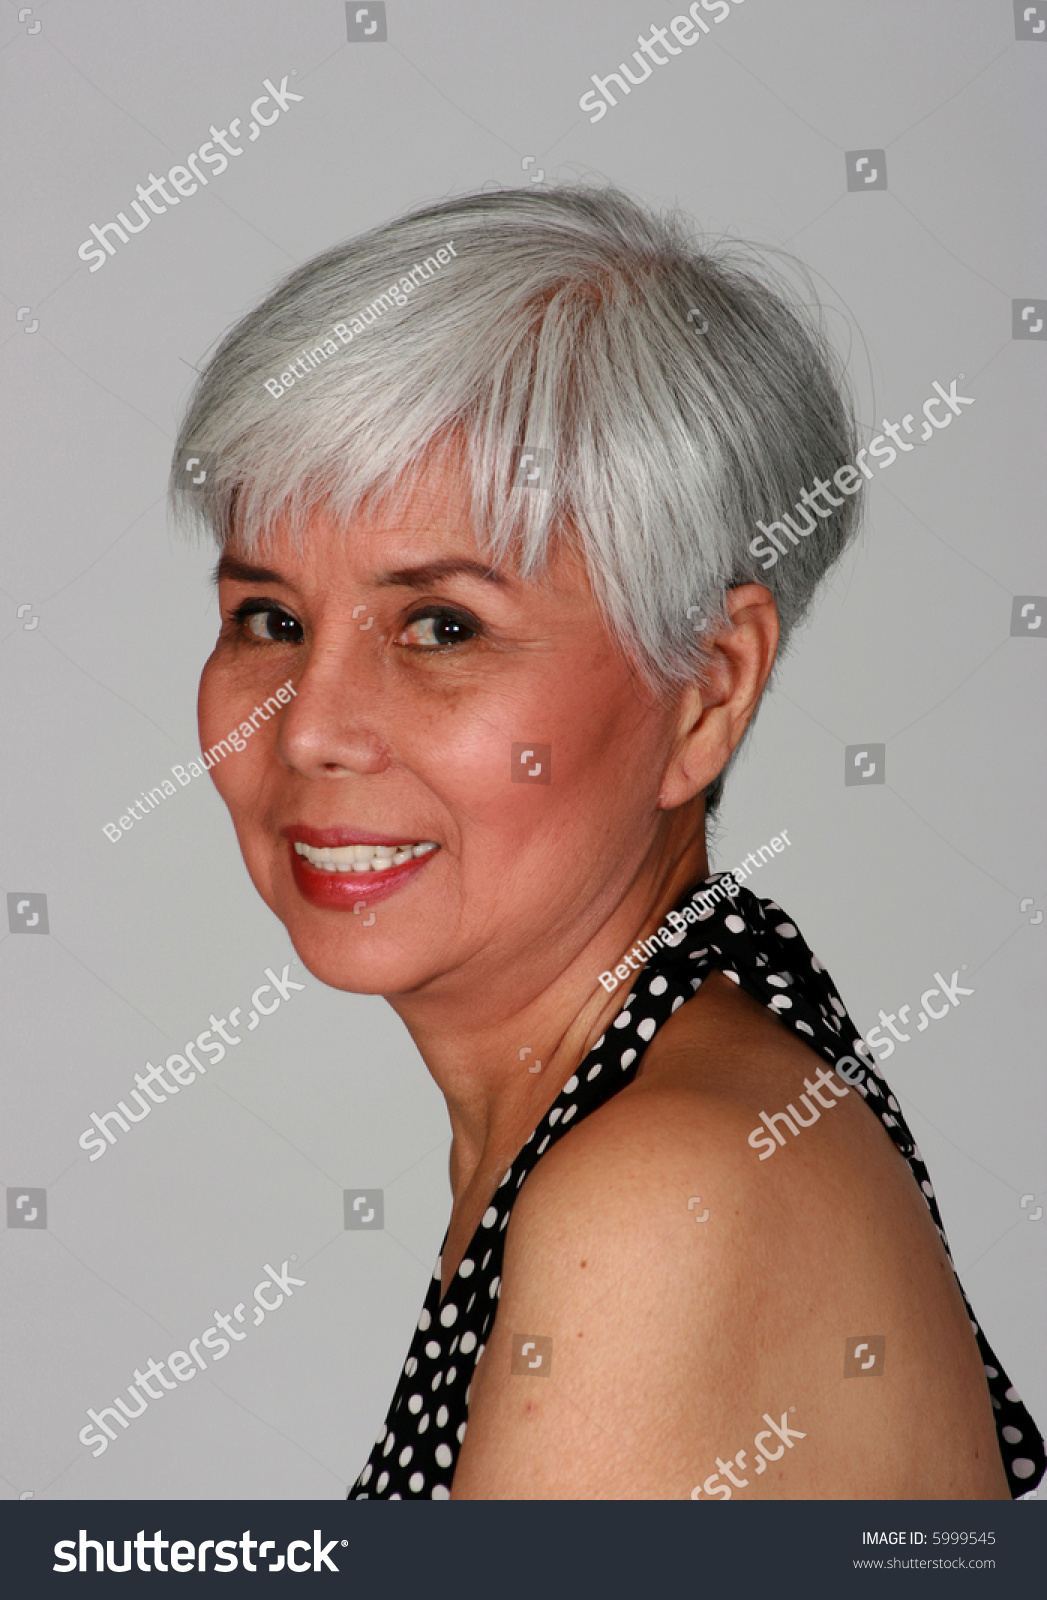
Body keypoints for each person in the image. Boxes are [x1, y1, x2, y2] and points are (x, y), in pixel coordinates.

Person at [171, 185, 1044, 1500]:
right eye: (269, 621)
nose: (310, 733)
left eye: (441, 627)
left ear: (709, 687)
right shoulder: (661, 1099)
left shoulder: (663, 1193)